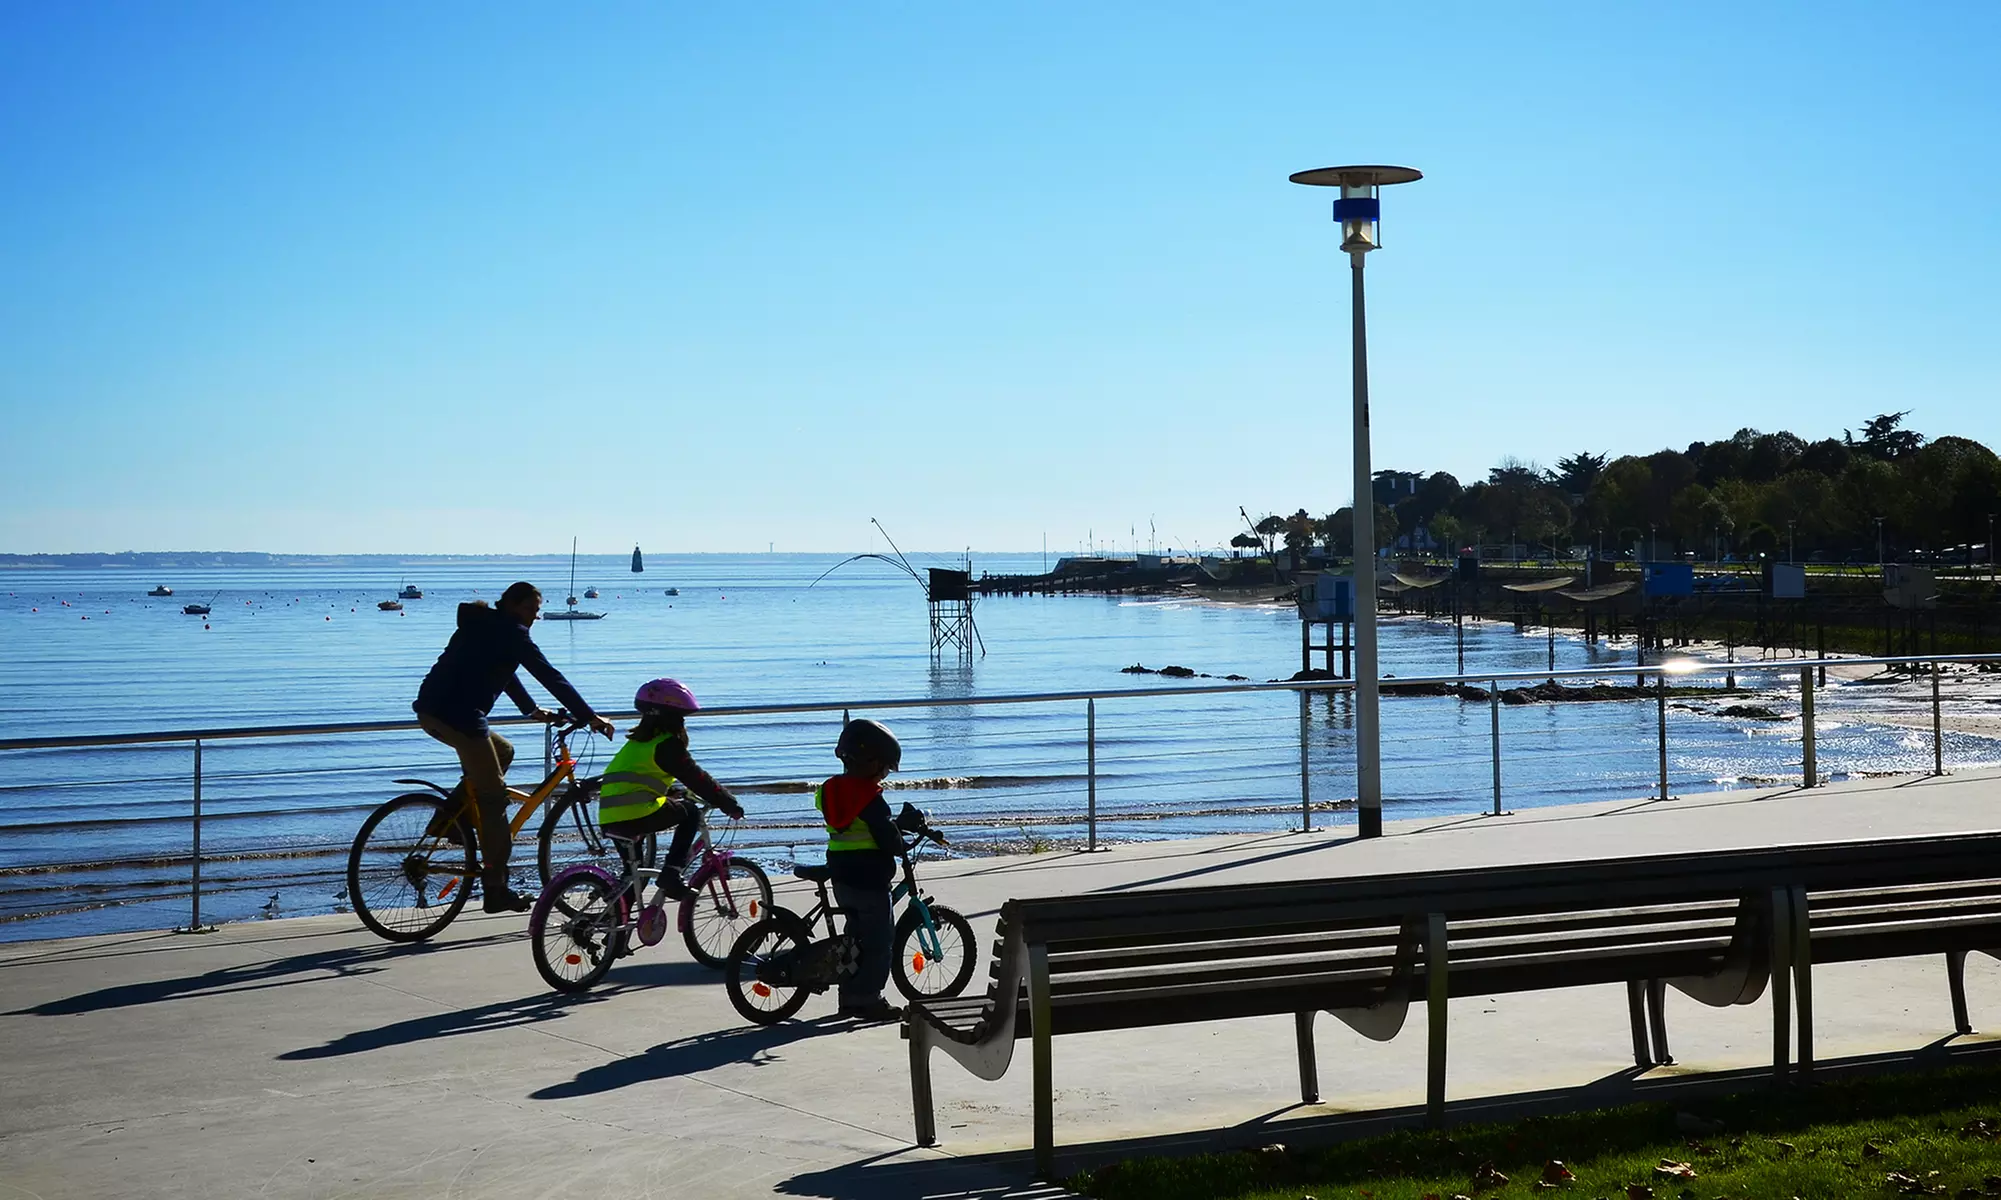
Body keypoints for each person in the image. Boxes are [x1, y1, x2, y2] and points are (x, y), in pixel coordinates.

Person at [412, 581, 615, 913]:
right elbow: (550, 675)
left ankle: (447, 823)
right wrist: (589, 716)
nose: (535, 617)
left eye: (536, 611)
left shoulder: (484, 625)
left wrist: (530, 710)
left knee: (503, 751)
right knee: (494, 800)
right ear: (511, 605)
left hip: (431, 710)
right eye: (531, 610)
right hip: (459, 717)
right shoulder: (512, 633)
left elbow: (503, 670)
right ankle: (495, 888)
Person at [596, 678, 743, 899]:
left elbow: (639, 780)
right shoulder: (667, 745)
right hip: (636, 813)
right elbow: (697, 778)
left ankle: (611, 925)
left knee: (632, 879)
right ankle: (671, 875)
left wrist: (669, 793)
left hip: (610, 815)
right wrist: (728, 802)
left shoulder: (637, 743)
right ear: (674, 718)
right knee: (690, 812)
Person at [814, 717, 906, 1022]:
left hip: (841, 878)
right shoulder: (872, 800)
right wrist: (900, 841)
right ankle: (867, 999)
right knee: (880, 943)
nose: (883, 776)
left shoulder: (829, 791)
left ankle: (849, 995)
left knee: (854, 939)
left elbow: (843, 817)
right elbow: (887, 838)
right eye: (883, 768)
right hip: (870, 881)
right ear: (872, 763)